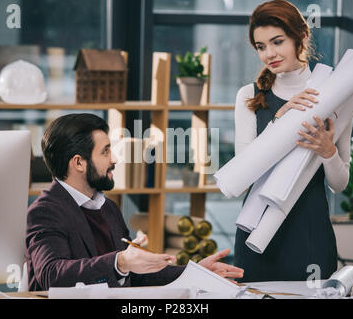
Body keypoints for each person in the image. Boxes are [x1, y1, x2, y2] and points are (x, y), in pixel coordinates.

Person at [26, 113, 244, 291]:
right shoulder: (45, 211)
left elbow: (136, 276)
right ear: (79, 163)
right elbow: (51, 275)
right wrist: (119, 262)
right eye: (105, 152)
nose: (114, 159)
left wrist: (194, 273)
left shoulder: (108, 208)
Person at [234, 0, 353, 282]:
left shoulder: (335, 93)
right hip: (256, 230)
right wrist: (280, 118)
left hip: (310, 234)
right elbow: (243, 175)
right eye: (261, 47)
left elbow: (340, 184)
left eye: (277, 42)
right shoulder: (249, 97)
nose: (269, 54)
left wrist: (329, 151)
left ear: (301, 36)